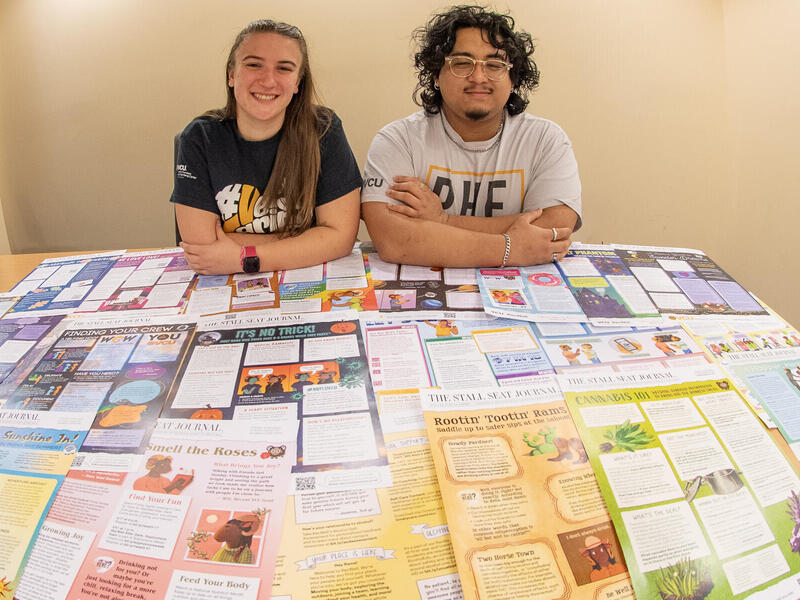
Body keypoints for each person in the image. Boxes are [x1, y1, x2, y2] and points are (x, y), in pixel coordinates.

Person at [361, 6, 581, 267]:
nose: (478, 77)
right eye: (462, 63)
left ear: (513, 80)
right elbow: (393, 239)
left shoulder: (546, 140)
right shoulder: (398, 139)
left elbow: (554, 226)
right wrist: (510, 248)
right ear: (435, 76)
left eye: (495, 65)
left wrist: (442, 221)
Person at [172, 20, 362, 275]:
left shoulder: (324, 129)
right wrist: (308, 241)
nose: (268, 80)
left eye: (284, 68)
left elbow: (340, 238)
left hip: (306, 280)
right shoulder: (198, 138)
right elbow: (202, 248)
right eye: (253, 65)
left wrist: (244, 257)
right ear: (231, 74)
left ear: (297, 83)